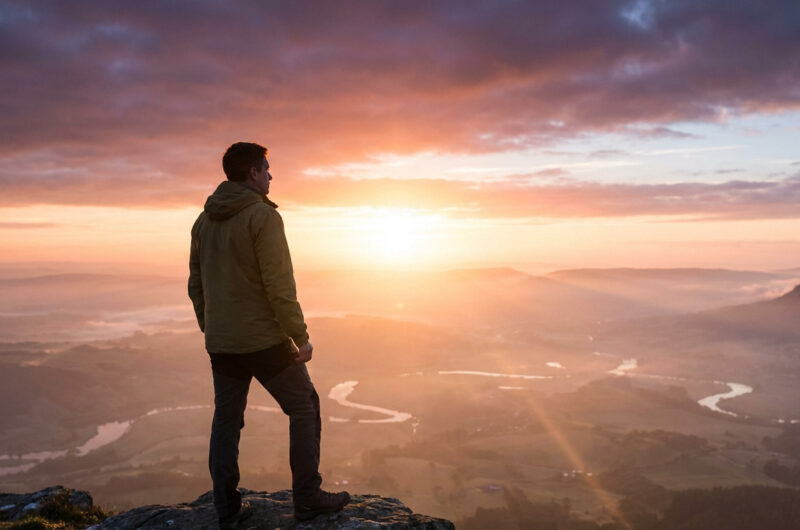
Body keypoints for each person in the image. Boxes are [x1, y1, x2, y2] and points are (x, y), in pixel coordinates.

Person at [188, 142, 350, 527]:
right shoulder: (263, 217)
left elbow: (196, 284)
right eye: (266, 169)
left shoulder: (203, 221)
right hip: (263, 340)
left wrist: (213, 327)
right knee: (304, 406)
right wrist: (300, 336)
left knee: (227, 421)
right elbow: (279, 286)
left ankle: (226, 509)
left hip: (222, 343)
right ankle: (307, 499)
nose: (271, 176)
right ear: (253, 173)